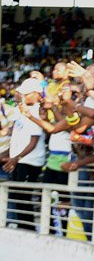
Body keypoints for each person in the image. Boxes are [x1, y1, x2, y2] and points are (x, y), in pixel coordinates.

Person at [1, 78, 47, 230]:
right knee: (17, 196)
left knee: (23, 198)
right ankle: (23, 228)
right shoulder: (22, 111)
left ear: (36, 94)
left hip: (29, 161)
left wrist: (16, 158)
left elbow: (33, 142)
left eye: (26, 94)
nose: (23, 96)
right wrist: (8, 155)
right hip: (19, 160)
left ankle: (28, 229)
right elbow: (17, 137)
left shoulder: (36, 112)